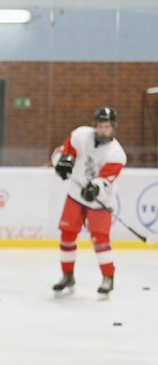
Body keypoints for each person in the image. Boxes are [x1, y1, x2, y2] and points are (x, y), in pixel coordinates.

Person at [51, 106, 126, 296]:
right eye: (100, 125)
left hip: (99, 201)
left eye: (107, 126)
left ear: (113, 127)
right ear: (95, 125)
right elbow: (63, 153)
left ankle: (108, 277)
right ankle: (67, 275)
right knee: (67, 234)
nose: (103, 130)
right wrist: (61, 163)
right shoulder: (80, 135)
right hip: (76, 193)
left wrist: (96, 187)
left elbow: (107, 180)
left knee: (100, 239)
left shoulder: (117, 154)